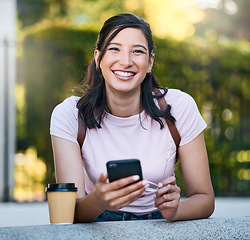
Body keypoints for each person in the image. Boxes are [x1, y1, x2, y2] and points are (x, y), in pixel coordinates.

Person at [50, 13, 214, 223]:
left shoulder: (179, 107)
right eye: (114, 49)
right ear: (98, 58)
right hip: (98, 222)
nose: (126, 61)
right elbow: (68, 213)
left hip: (160, 222)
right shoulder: (70, 115)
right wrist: (99, 200)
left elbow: (205, 199)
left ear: (150, 62)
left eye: (137, 51)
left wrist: (176, 210)